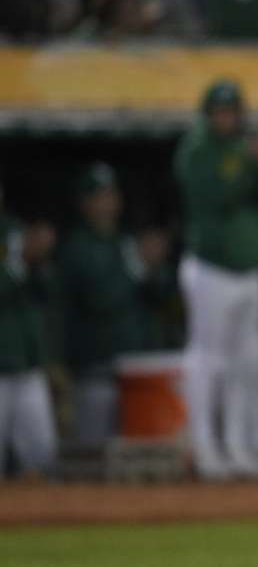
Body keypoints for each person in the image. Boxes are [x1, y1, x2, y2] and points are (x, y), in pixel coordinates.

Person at [175, 78, 258, 480]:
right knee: (207, 360)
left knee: (246, 364)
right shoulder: (197, 150)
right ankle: (205, 449)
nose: (226, 118)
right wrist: (255, 160)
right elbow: (213, 198)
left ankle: (237, 447)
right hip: (210, 270)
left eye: (232, 111)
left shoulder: (243, 149)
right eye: (219, 111)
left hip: (249, 273)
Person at [58, 163, 174, 451]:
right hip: (95, 369)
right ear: (84, 203)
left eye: (111, 195)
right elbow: (101, 299)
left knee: (137, 452)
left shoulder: (126, 242)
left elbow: (161, 296)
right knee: (94, 454)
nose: (106, 204)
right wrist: (138, 270)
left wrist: (154, 267)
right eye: (98, 197)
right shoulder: (76, 247)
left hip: (134, 373)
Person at [0, 190, 58, 479]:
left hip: (27, 358)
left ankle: (44, 515)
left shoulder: (14, 229)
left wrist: (39, 258)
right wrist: (20, 262)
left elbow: (47, 292)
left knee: (42, 453)